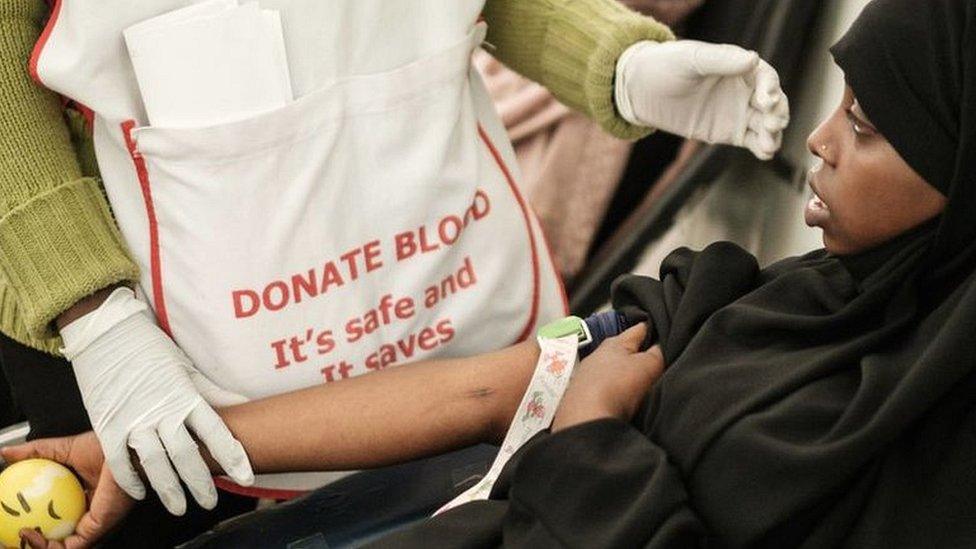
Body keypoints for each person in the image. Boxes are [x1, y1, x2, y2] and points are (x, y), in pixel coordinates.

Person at [7, 0, 975, 545]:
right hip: (159, 326)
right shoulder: (725, 295)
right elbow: (486, 387)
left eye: (867, 123)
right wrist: (97, 326)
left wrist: (612, 61)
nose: (817, 139)